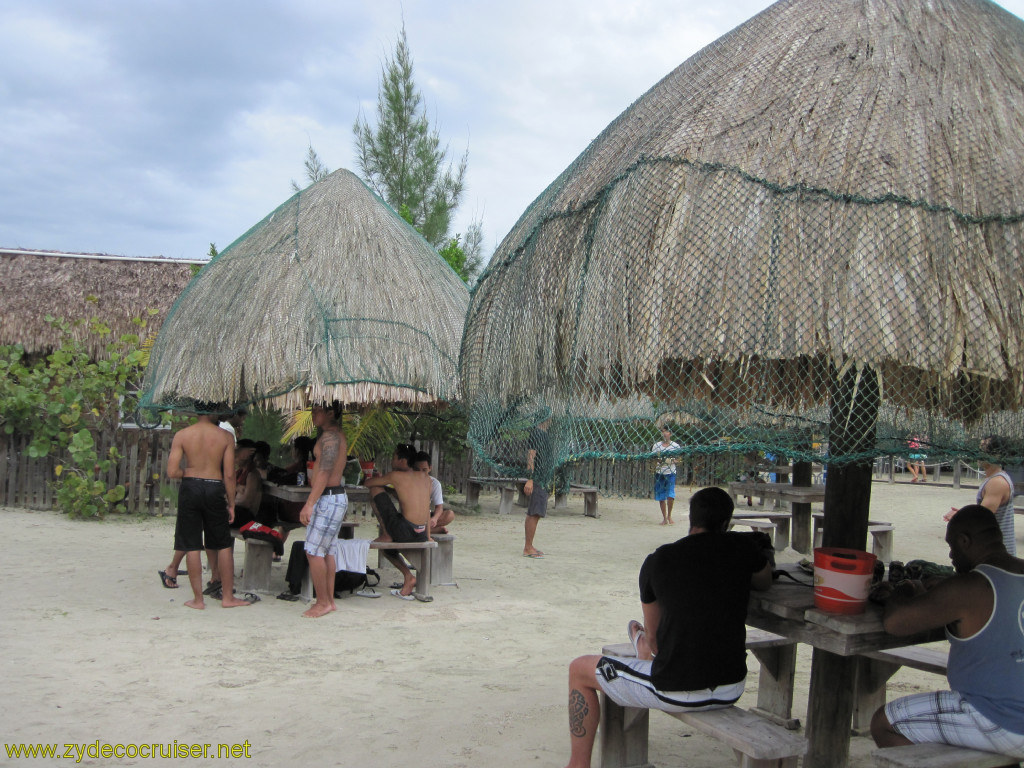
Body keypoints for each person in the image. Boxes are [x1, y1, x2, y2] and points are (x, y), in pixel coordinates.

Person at [562, 486, 772, 768]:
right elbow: (765, 582)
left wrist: (646, 642)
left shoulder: (659, 560)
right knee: (652, 645)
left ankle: (577, 765)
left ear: (691, 520)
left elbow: (657, 640)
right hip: (732, 686)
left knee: (579, 669)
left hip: (676, 688)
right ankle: (640, 649)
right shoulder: (744, 548)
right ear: (726, 522)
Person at [870, 505, 1024, 759]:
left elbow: (895, 623)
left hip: (1002, 719)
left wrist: (905, 587)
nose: (951, 555)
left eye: (952, 546)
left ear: (965, 541)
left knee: (884, 723)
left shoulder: (973, 585)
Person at [164, 411, 252, 609]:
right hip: (214, 486)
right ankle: (228, 597)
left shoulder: (183, 434)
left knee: (192, 544)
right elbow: (229, 475)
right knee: (222, 544)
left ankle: (198, 600)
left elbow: (172, 471)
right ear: (214, 412)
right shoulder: (226, 437)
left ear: (196, 411)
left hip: (190, 486)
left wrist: (190, 472)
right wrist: (231, 503)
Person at [297, 403, 349, 618]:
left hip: (329, 498)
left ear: (330, 413)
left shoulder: (330, 438)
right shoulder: (331, 436)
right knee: (326, 550)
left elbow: (325, 471)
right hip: (332, 497)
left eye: (317, 410)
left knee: (313, 551)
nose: (312, 414)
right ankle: (328, 600)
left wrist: (309, 503)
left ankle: (323, 602)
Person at [365, 444, 431, 599]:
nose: (392, 460)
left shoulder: (395, 475)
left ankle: (387, 536)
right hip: (421, 532)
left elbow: (368, 484)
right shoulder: (426, 478)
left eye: (394, 457)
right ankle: (408, 577)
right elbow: (410, 498)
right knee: (388, 548)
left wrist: (377, 480)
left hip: (405, 531)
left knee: (375, 489)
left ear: (402, 461)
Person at [946, 435, 1016, 554]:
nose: (978, 453)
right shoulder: (992, 479)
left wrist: (959, 517)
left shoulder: (997, 482)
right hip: (991, 552)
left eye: (983, 449)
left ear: (996, 455)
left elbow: (980, 519)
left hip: (998, 556)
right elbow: (981, 511)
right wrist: (962, 514)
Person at [523, 414, 553, 558]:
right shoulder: (536, 433)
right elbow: (531, 456)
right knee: (534, 512)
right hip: (537, 479)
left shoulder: (544, 435)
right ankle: (528, 547)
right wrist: (530, 479)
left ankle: (530, 545)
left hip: (543, 479)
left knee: (537, 513)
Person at [413, 450, 455, 534]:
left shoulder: (434, 483)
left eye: (424, 470)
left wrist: (434, 519)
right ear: (413, 468)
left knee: (450, 514)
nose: (421, 473)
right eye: (417, 470)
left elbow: (439, 507)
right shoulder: (407, 481)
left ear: (430, 468)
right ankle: (430, 530)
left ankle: (425, 530)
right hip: (410, 516)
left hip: (426, 517)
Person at [651, 425, 680, 525]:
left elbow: (679, 459)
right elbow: (654, 458)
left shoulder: (675, 446)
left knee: (670, 495)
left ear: (670, 434)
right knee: (661, 496)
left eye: (666, 431)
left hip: (671, 472)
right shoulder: (656, 445)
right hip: (660, 472)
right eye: (663, 431)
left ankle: (669, 516)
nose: (664, 433)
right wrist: (661, 460)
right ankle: (664, 518)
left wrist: (670, 460)